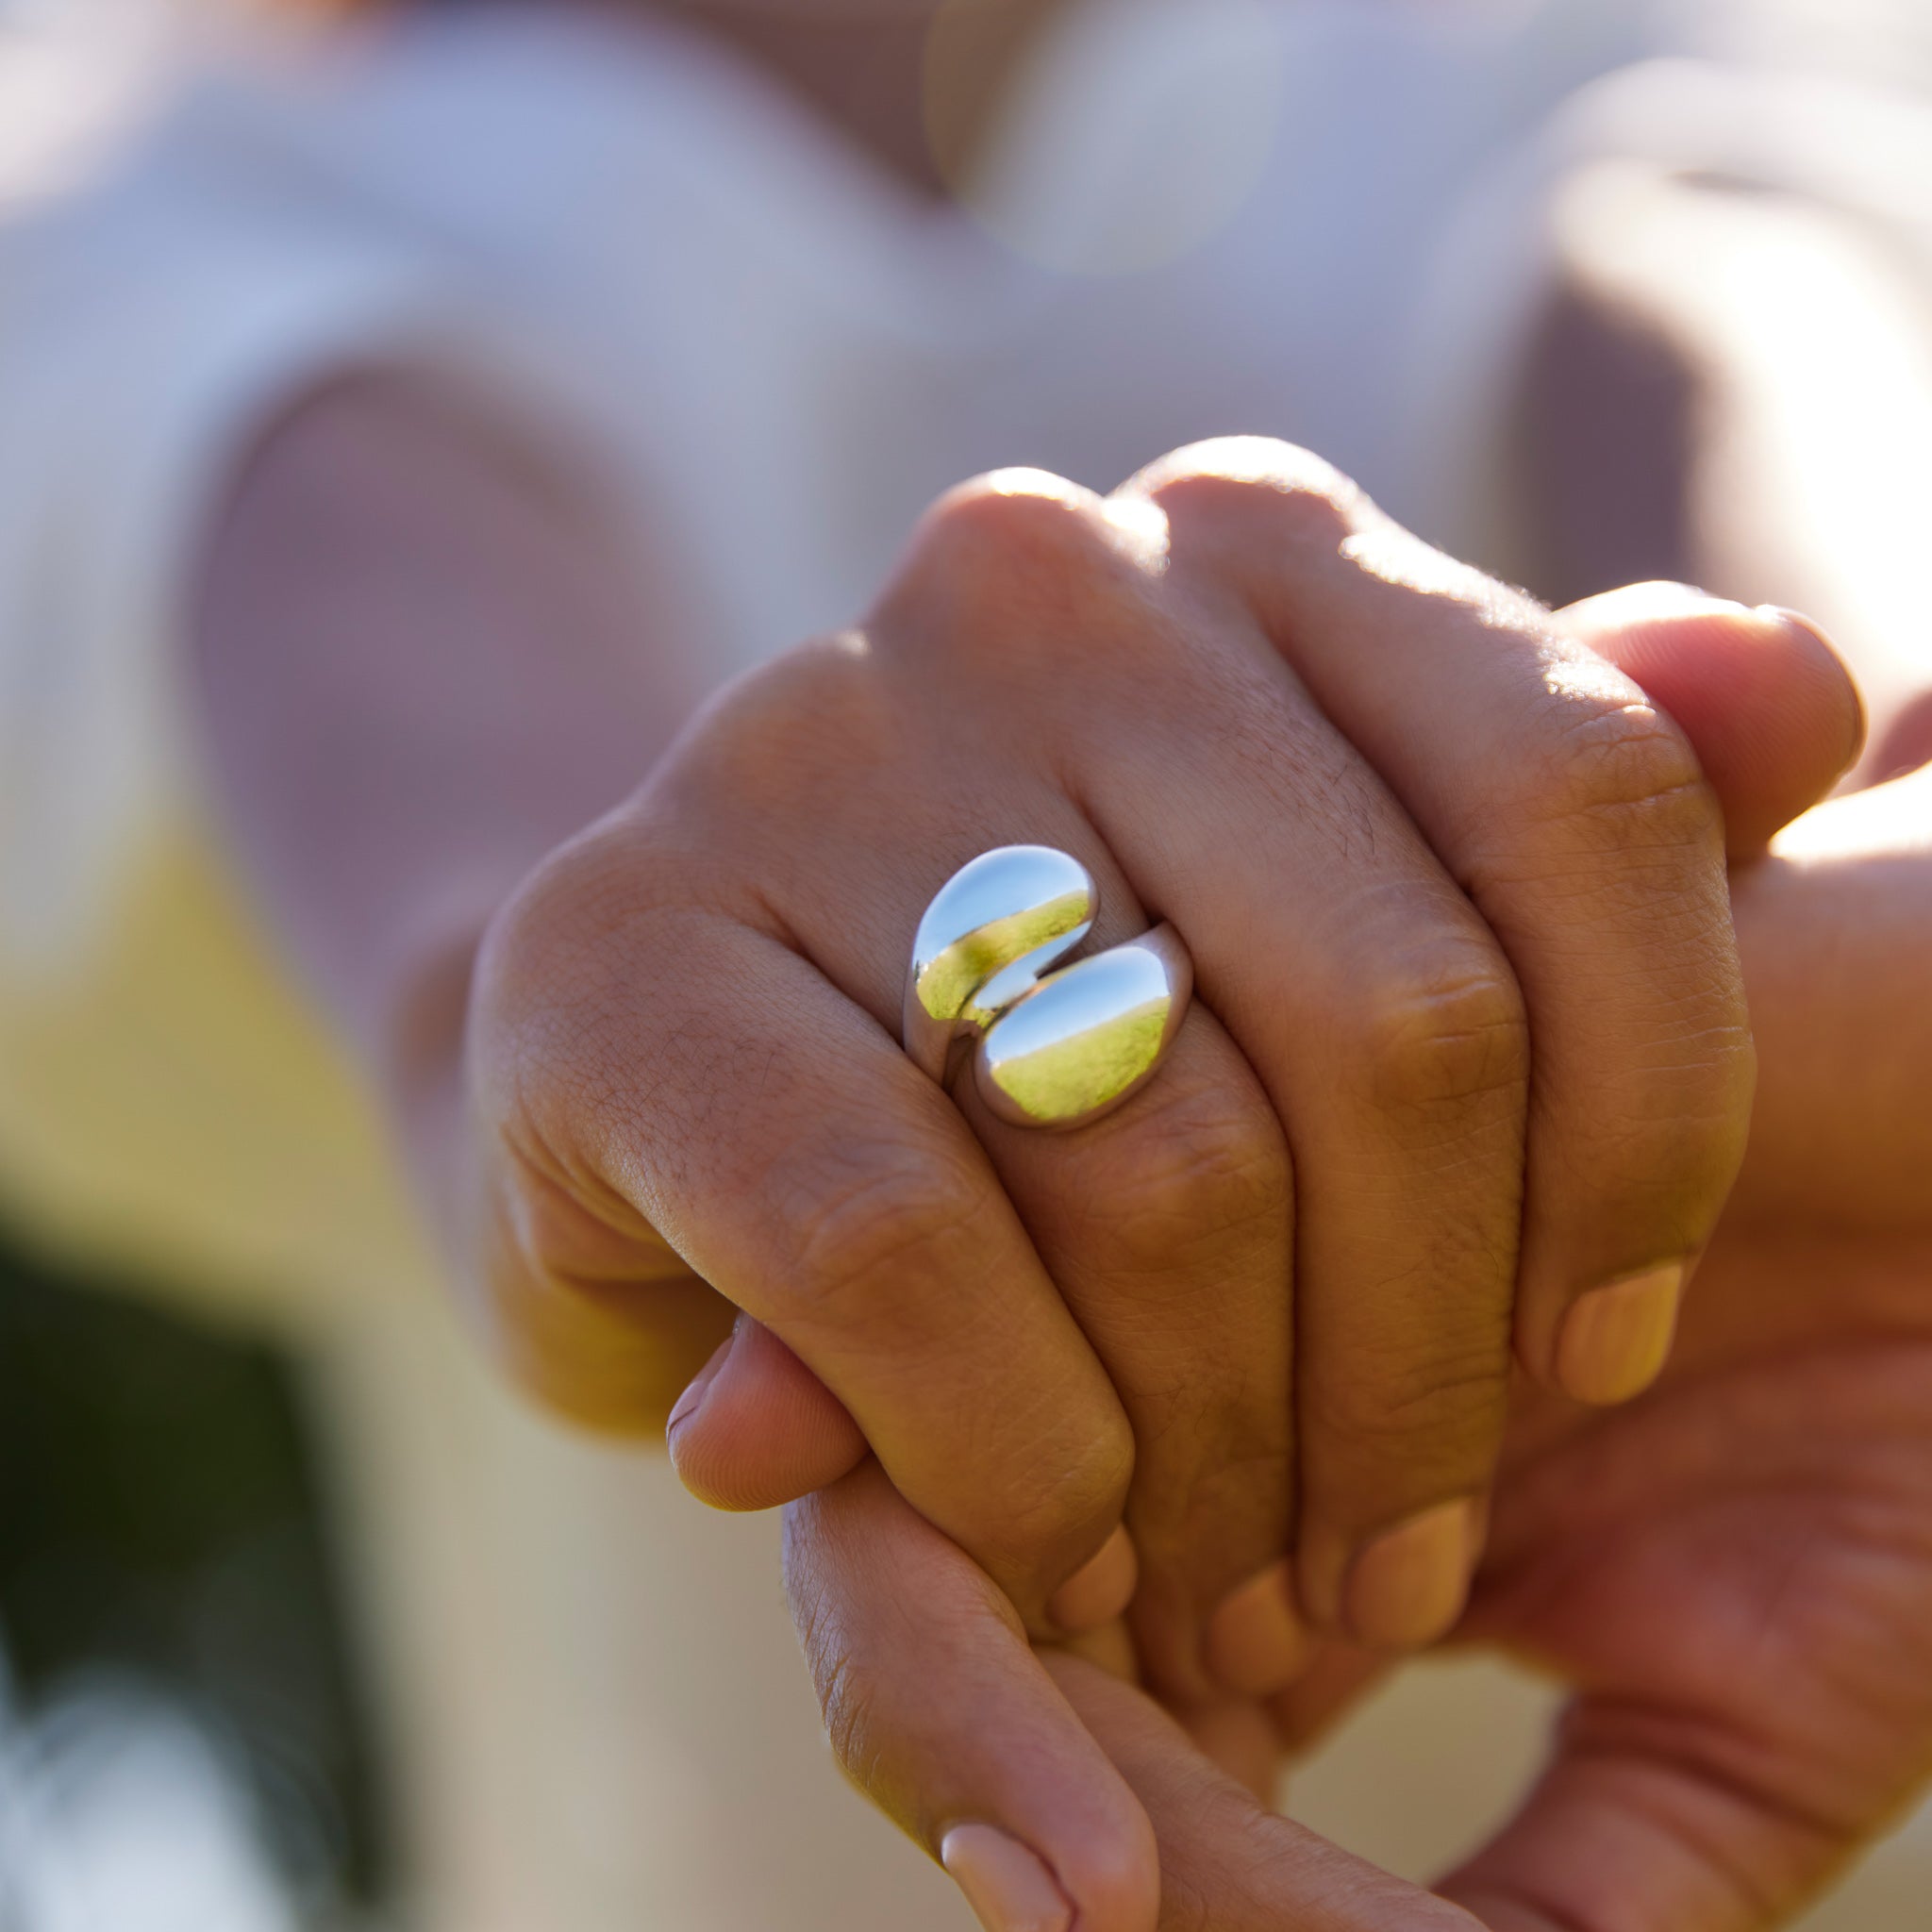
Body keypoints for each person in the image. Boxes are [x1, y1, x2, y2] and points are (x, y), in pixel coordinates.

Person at [0, 0, 1927, 1925]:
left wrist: (1849, 854)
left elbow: (1743, 280)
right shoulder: (126, 212)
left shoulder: (1584, 48)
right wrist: (586, 1058)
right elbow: (319, 526)